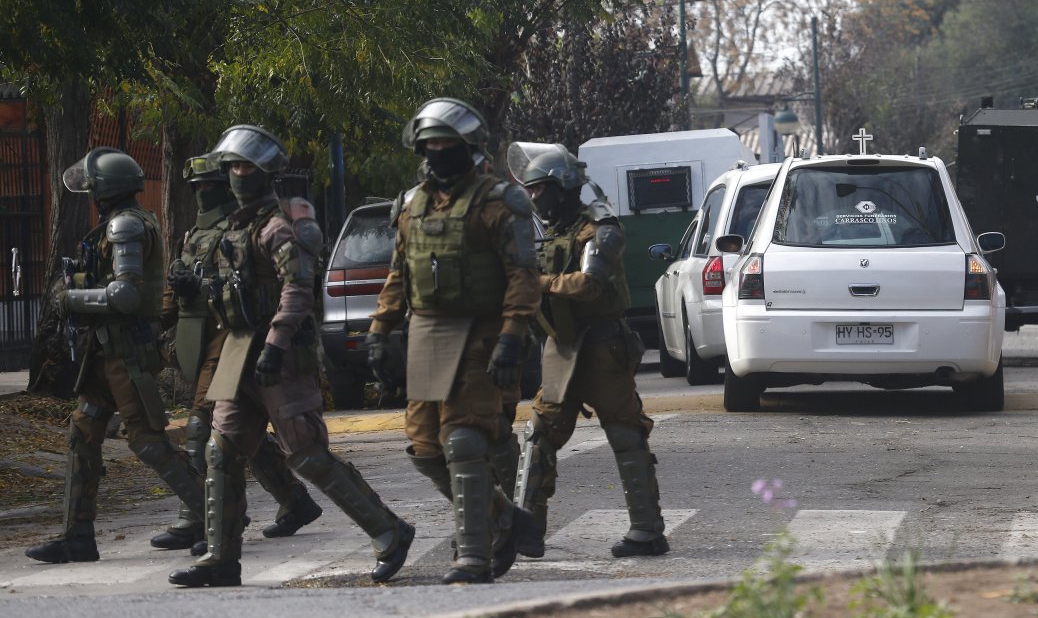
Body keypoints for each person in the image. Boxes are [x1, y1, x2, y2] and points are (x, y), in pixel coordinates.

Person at [168, 125, 414, 587]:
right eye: (234, 166)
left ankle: (390, 532)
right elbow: (231, 290)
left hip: (279, 358)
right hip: (238, 352)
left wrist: (276, 343)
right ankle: (221, 559)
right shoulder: (235, 229)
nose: (239, 174)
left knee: (306, 454)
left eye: (247, 167)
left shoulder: (278, 228)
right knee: (221, 452)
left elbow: (298, 290)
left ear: (264, 174)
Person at [367, 98, 537, 584]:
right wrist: (380, 329)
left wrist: (511, 336)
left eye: (446, 143)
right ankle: (503, 518)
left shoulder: (500, 203)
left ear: (469, 146)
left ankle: (474, 556)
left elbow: (523, 275)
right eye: (430, 144)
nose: (437, 151)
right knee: (425, 450)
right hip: (427, 335)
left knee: (463, 441)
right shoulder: (411, 205)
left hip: (481, 334)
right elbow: (399, 274)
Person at [26, 147, 206, 564]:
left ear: (105, 190)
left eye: (92, 187)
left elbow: (124, 295)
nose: (89, 193)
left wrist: (69, 297)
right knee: (83, 432)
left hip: (127, 353)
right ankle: (77, 536)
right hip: (107, 353)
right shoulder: (120, 223)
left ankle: (218, 515)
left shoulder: (125, 225)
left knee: (145, 441)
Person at [156, 153, 321, 554]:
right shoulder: (198, 232)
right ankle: (292, 501)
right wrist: (164, 310)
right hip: (206, 338)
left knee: (204, 430)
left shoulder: (250, 226)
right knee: (233, 437)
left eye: (209, 185)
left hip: (233, 338)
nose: (203, 194)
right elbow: (180, 284)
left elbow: (245, 282)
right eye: (198, 187)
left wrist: (200, 284)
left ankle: (199, 518)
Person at [511, 142, 668, 559]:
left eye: (538, 189)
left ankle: (648, 530)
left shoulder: (601, 229)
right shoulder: (552, 234)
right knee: (540, 435)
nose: (533, 197)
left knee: (624, 432)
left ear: (562, 186)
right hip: (562, 347)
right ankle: (525, 530)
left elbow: (589, 285)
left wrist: (538, 285)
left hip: (602, 346)